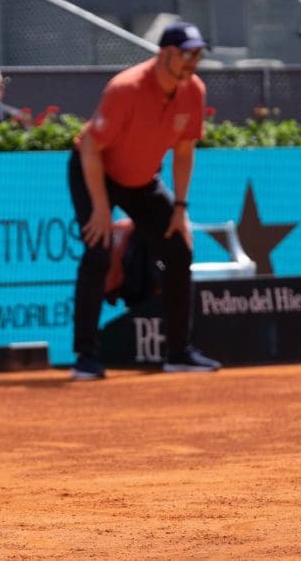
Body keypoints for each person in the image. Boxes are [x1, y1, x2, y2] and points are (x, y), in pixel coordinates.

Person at [68, 21, 222, 381]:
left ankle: (178, 352)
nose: (192, 62)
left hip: (141, 180)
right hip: (95, 171)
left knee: (179, 248)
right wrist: (101, 207)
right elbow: (91, 146)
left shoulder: (194, 91)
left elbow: (184, 150)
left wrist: (180, 209)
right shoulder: (126, 89)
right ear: (165, 53)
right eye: (187, 54)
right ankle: (86, 357)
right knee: (98, 251)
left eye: (198, 54)